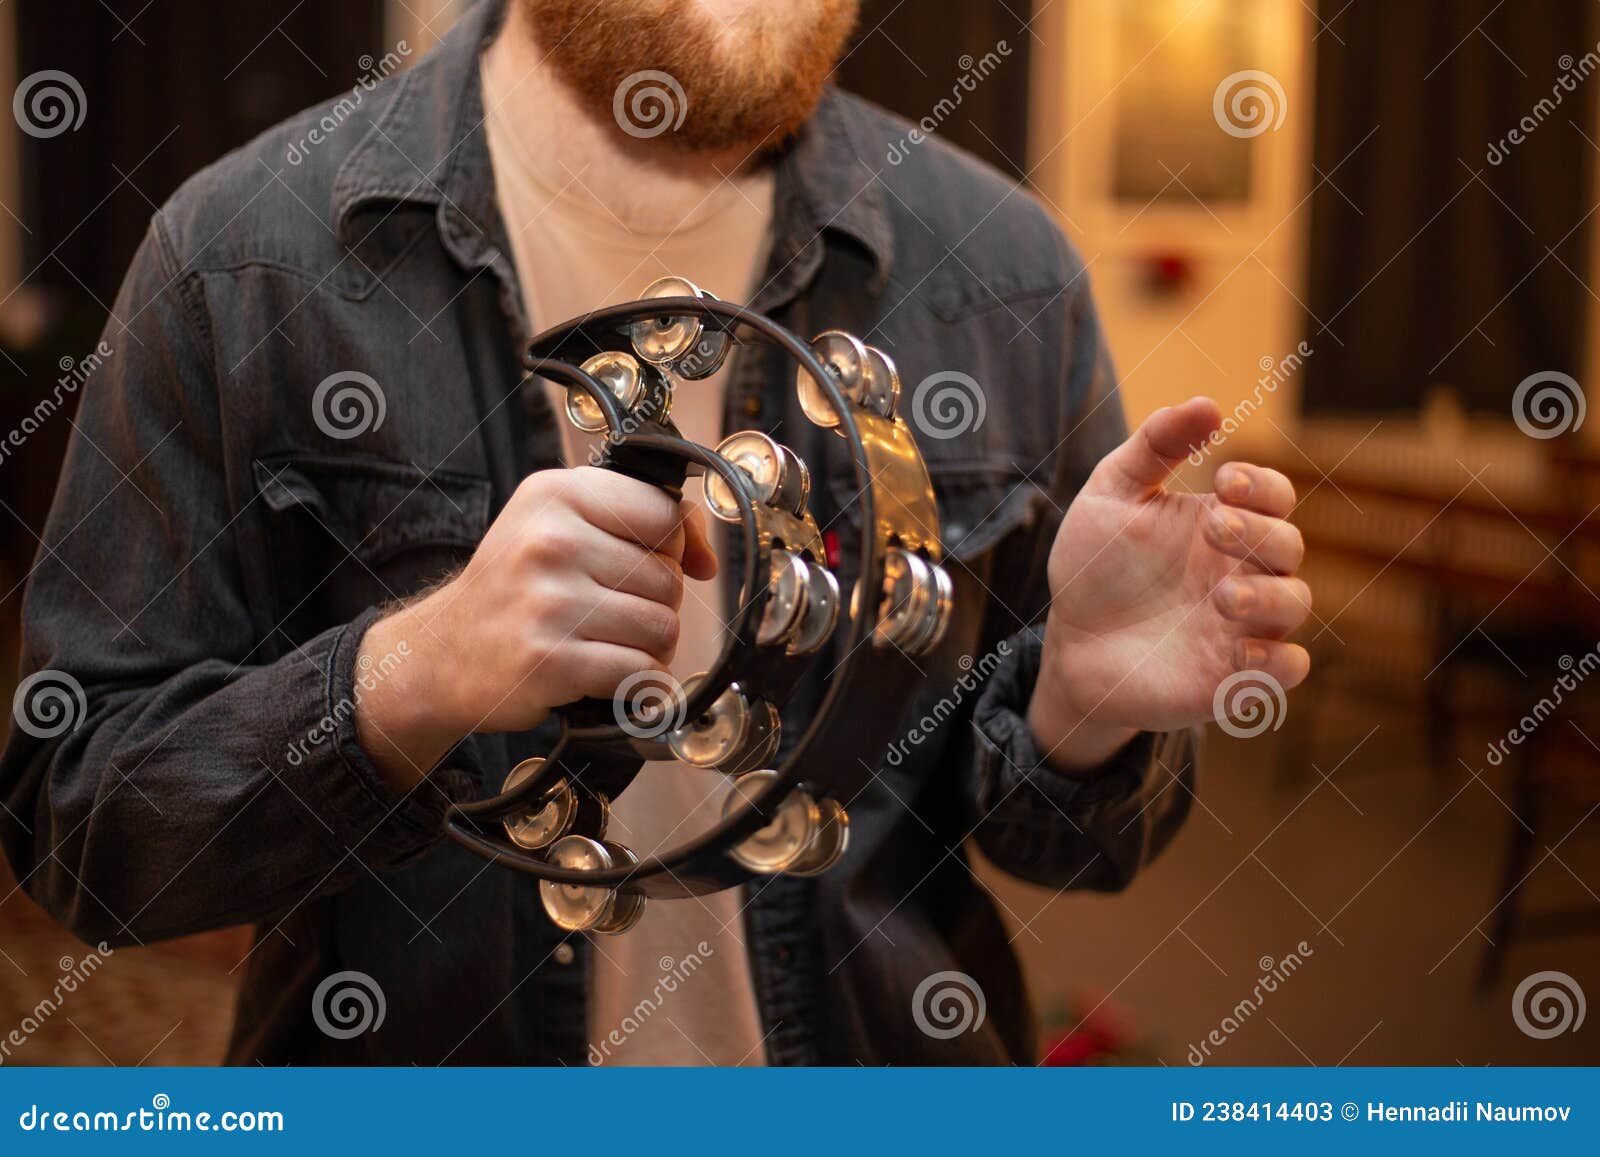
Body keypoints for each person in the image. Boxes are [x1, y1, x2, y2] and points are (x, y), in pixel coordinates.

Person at [0, 0, 1311, 1065]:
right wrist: (408, 681)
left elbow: (1076, 846)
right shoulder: (244, 258)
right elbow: (85, 835)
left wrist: (1082, 710)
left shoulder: (1007, 269)